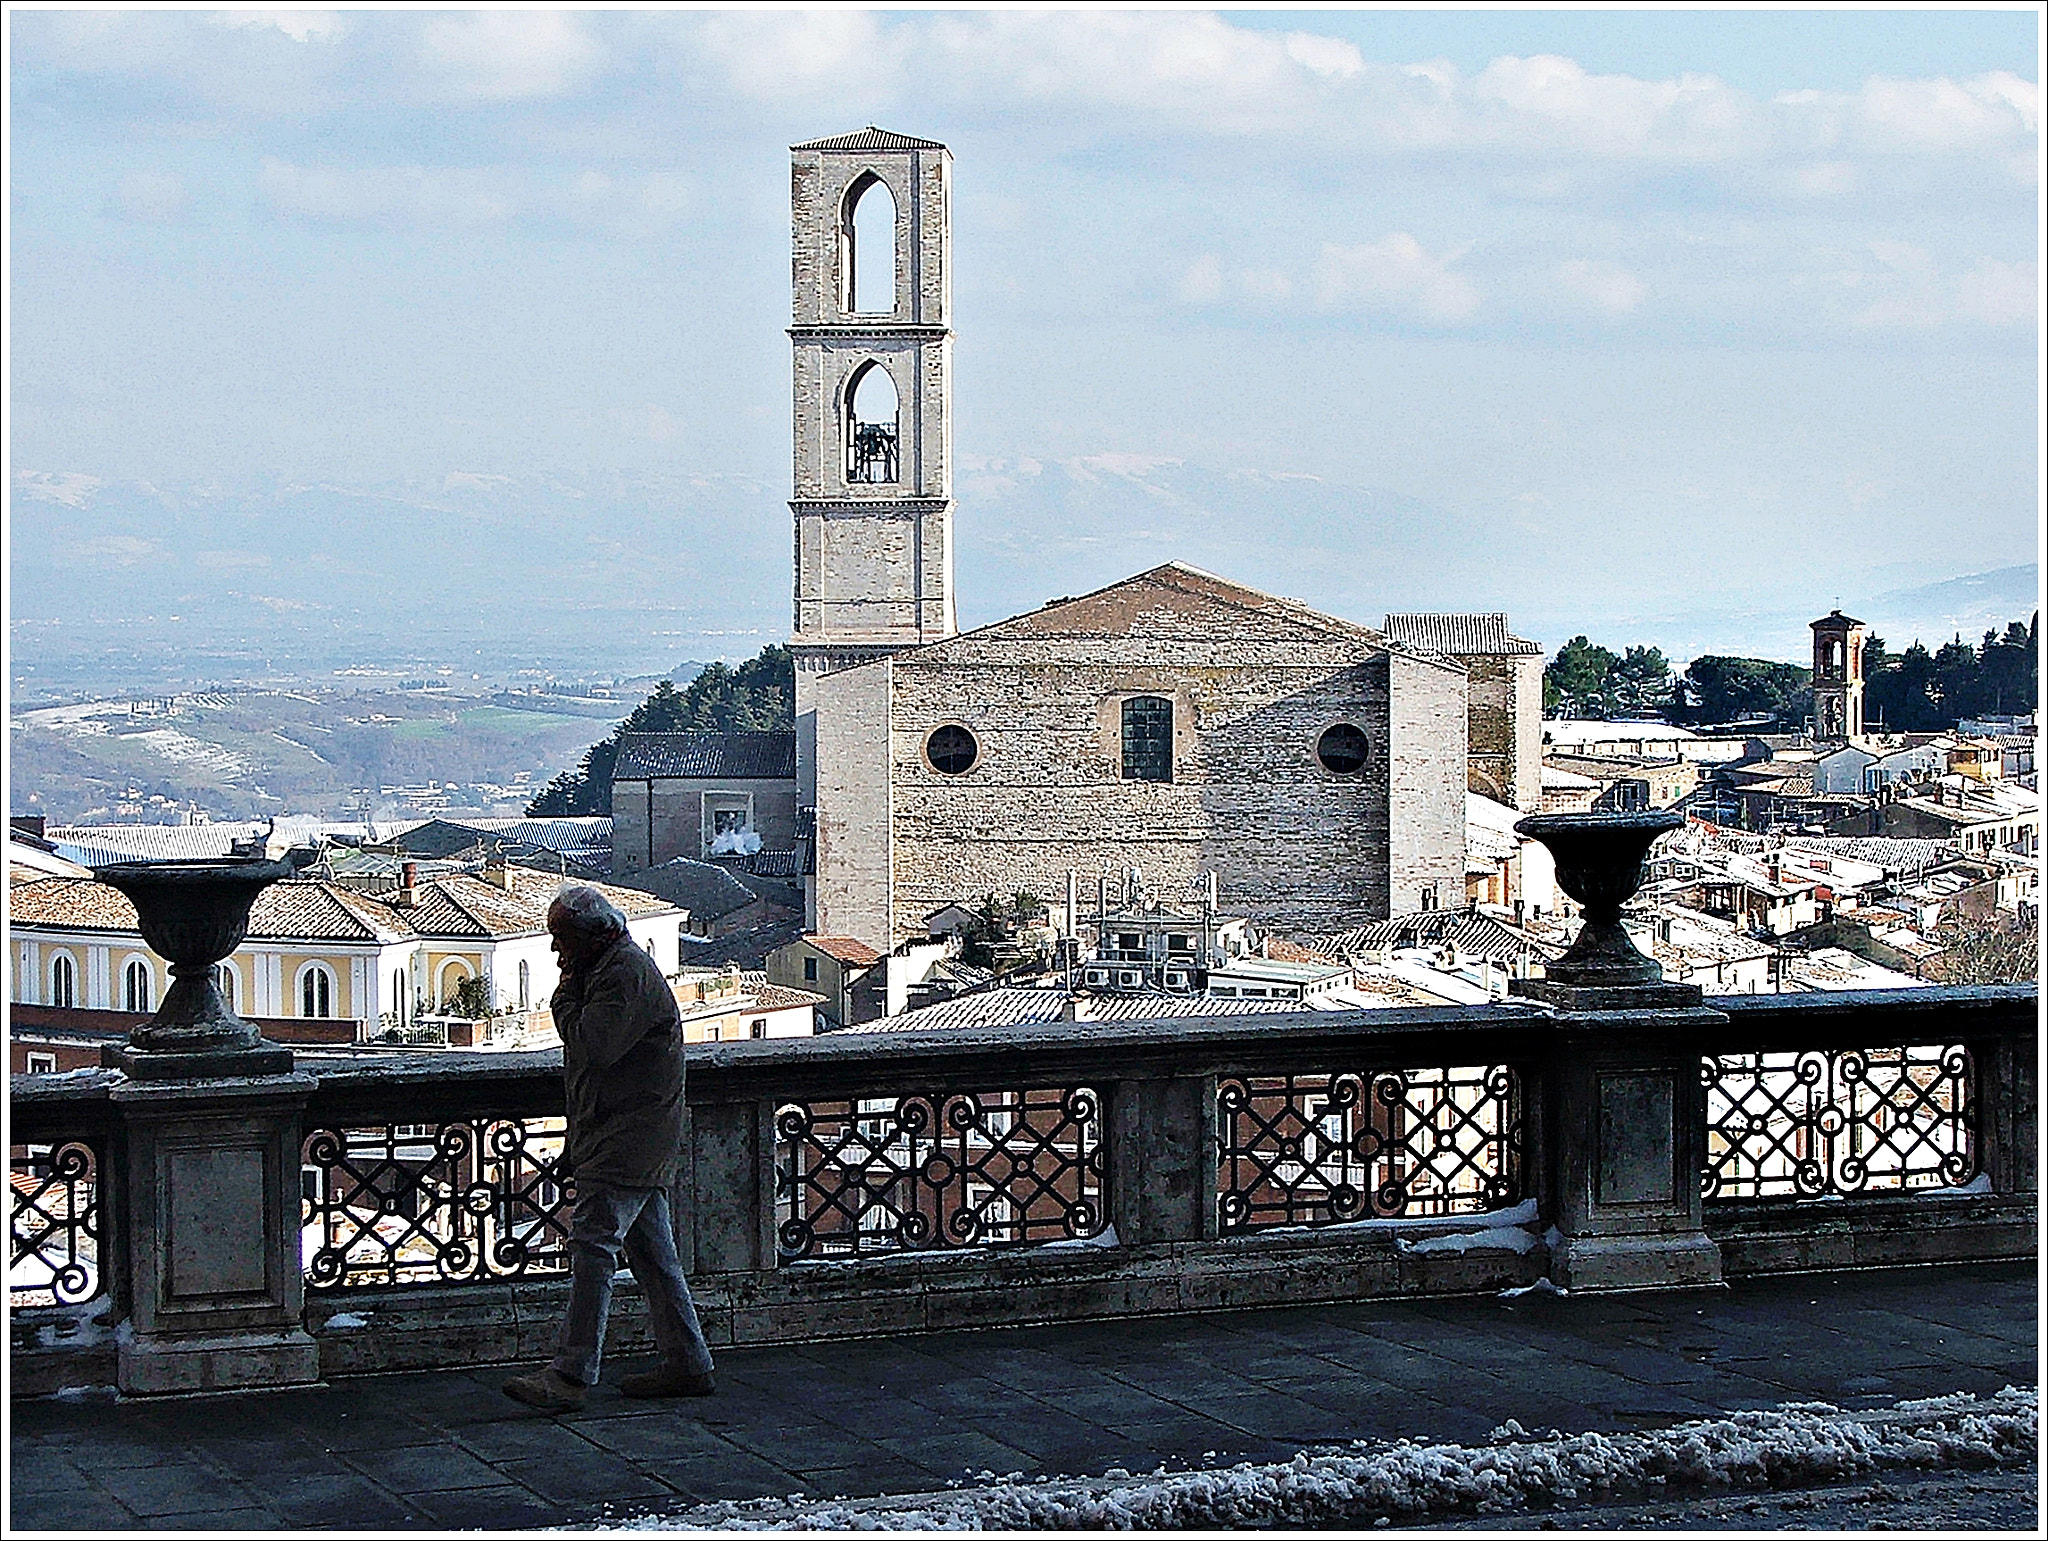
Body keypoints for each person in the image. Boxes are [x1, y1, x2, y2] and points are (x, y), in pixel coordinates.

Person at [502, 885, 717, 1412]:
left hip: (627, 1135)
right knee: (652, 1253)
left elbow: (592, 1046)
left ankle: (572, 1374)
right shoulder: (613, 967)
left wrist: (564, 996)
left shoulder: (621, 975)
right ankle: (688, 1361)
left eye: (562, 940)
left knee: (593, 1246)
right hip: (624, 1131)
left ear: (592, 936)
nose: (557, 953)